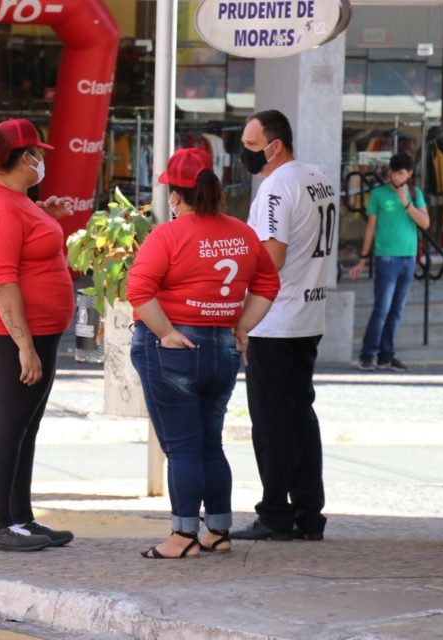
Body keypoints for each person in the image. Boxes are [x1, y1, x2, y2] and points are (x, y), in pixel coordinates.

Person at [128, 148, 280, 559]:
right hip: (223, 348)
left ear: (177, 197)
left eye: (170, 194)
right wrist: (242, 327)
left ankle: (182, 537)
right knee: (210, 444)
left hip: (175, 348)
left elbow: (138, 291)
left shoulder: (168, 235)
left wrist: (164, 332)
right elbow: (268, 284)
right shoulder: (242, 233)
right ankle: (217, 530)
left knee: (181, 447)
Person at [0, 118, 76, 552]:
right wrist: (24, 345)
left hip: (37, 328)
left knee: (25, 424)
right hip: (13, 330)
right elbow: (1, 280)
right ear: (19, 158)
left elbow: (21, 244)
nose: (43, 160)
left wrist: (46, 215)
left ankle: (20, 518)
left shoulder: (14, 197)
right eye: (37, 154)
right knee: (10, 424)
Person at [232, 110, 337, 542]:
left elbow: (271, 256)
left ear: (275, 146)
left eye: (252, 145)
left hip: (276, 320)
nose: (246, 153)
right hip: (310, 314)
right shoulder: (320, 177)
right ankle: (309, 512)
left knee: (271, 421)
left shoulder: (276, 186)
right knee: (300, 415)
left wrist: (239, 305)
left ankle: (275, 512)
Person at [349, 153, 431, 371]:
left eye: (401, 172)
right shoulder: (378, 194)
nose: (396, 176)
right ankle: (368, 354)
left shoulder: (415, 193)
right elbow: (370, 228)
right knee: (382, 308)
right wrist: (363, 259)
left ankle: (387, 355)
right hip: (386, 258)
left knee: (397, 309)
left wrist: (407, 204)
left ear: (409, 174)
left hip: (409, 258)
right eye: (393, 172)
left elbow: (425, 223)